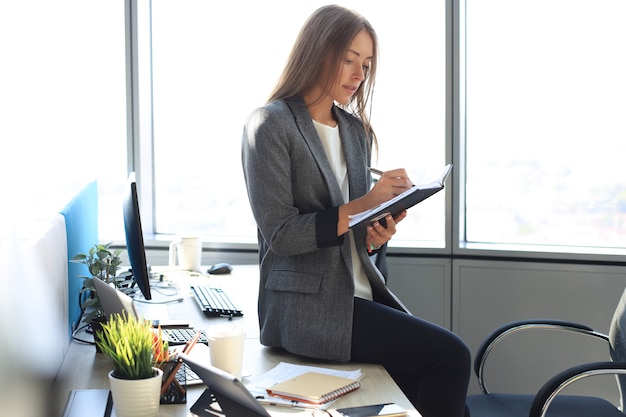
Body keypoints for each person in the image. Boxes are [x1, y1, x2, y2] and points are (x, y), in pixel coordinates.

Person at [241, 5, 470, 417]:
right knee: (451, 357)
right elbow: (282, 234)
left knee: (434, 385)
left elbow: (351, 230)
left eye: (366, 64)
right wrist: (366, 204)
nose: (359, 73)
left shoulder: (355, 130)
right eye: (349, 59)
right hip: (308, 309)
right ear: (315, 51)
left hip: (360, 292)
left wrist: (374, 233)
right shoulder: (269, 125)